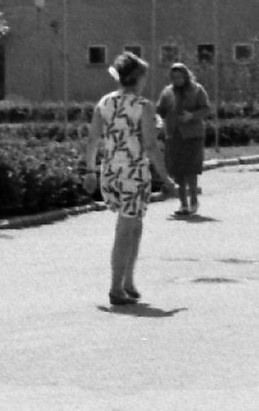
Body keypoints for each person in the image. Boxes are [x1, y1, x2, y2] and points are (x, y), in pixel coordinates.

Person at [87, 51, 169, 307]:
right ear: (137, 78)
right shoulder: (143, 107)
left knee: (134, 226)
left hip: (110, 171)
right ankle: (115, 287)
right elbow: (151, 146)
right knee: (126, 229)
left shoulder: (104, 103)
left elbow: (93, 140)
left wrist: (89, 170)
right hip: (133, 173)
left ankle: (128, 281)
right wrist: (166, 179)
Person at [156, 62, 212, 216]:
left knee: (191, 169)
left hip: (193, 134)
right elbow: (160, 109)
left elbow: (206, 108)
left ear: (186, 75)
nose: (177, 80)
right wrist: (159, 119)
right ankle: (183, 204)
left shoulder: (197, 89)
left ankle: (193, 200)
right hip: (173, 134)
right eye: (174, 77)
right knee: (177, 170)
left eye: (180, 76)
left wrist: (192, 116)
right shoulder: (167, 92)